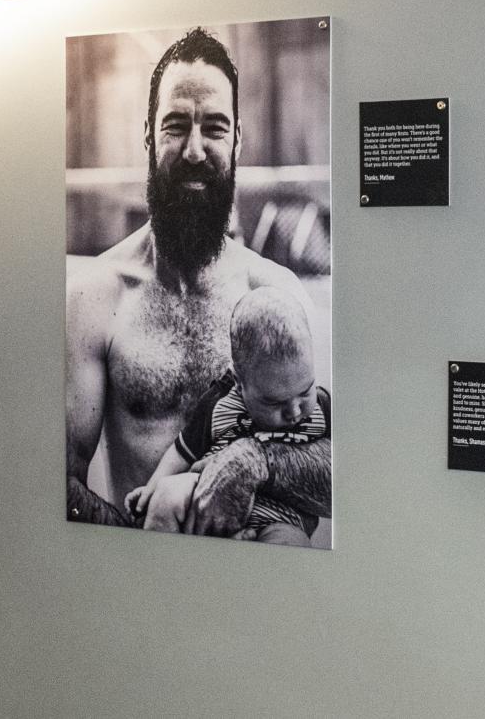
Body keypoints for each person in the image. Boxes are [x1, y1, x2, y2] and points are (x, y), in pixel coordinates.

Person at [66, 27, 331, 532]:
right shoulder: (93, 296)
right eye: (175, 126)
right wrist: (148, 547)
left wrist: (254, 460)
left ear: (237, 143)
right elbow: (58, 483)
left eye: (214, 127)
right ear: (148, 136)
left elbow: (335, 477)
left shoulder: (274, 296)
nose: (193, 149)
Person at [125, 287, 330, 545]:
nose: (295, 411)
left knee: (291, 542)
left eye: (305, 391)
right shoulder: (220, 402)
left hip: (279, 516)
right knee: (167, 498)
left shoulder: (324, 407)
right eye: (274, 401)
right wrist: (150, 492)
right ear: (239, 381)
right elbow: (181, 451)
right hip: (204, 497)